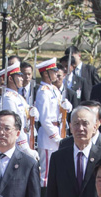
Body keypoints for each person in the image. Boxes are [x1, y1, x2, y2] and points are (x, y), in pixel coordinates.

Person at [34, 58, 71, 189]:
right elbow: (44, 119)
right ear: (46, 74)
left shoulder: (54, 89)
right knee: (46, 175)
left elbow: (61, 108)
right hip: (49, 137)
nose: (57, 73)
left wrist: (68, 106)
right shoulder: (43, 92)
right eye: (54, 71)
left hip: (58, 130)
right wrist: (56, 137)